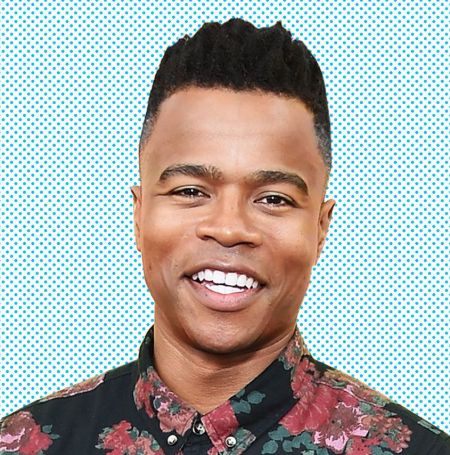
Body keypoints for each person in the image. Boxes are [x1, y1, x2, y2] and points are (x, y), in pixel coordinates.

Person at [1, 17, 449, 455]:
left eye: (273, 199)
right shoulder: (25, 442)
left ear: (320, 228)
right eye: (190, 191)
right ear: (139, 215)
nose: (230, 228)